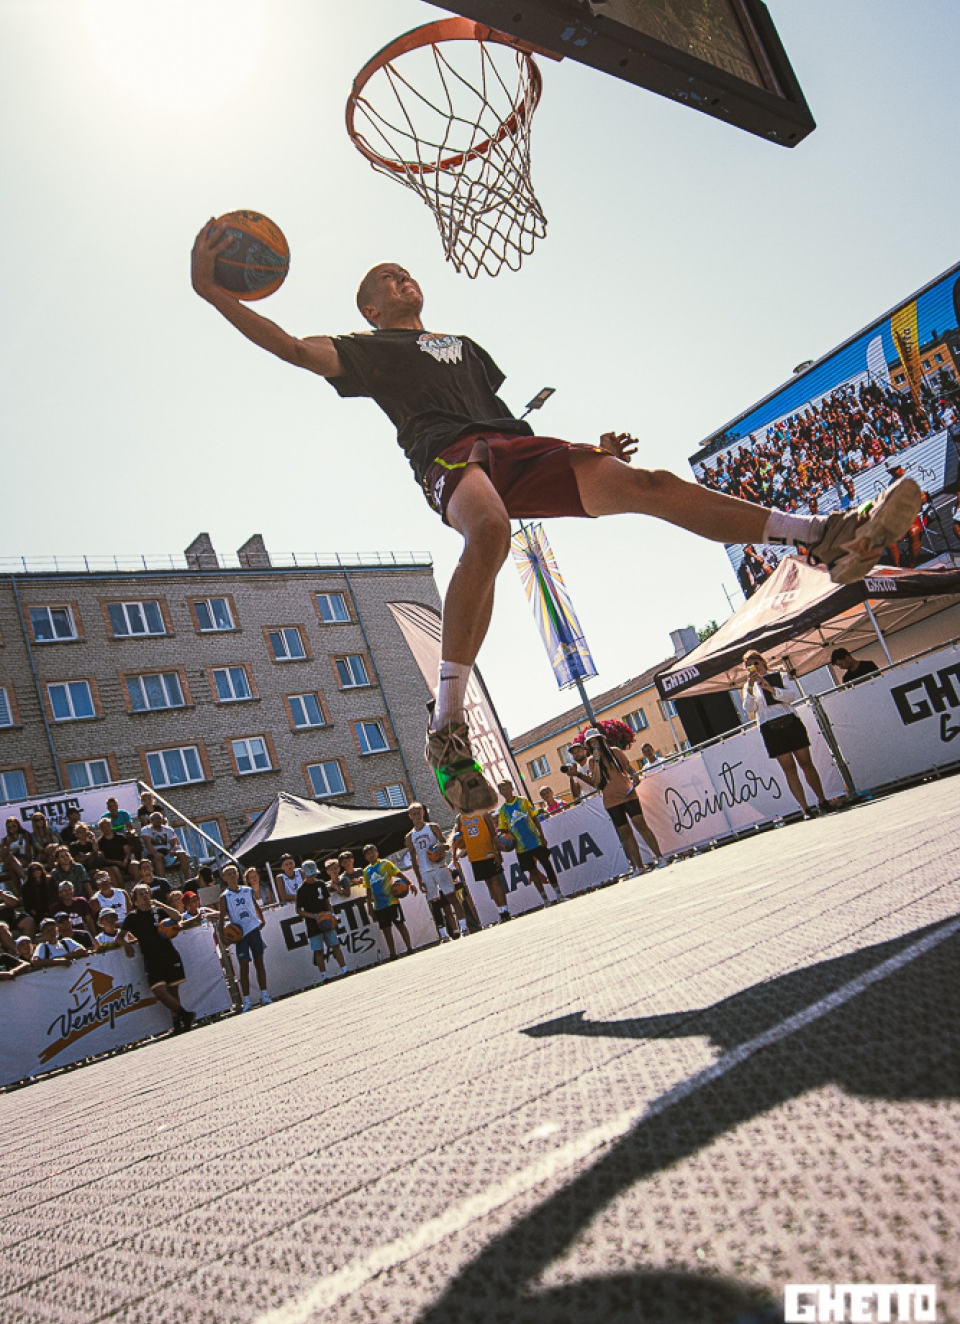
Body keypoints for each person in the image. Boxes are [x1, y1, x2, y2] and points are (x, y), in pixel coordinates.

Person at [191, 236, 922, 814]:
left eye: (405, 271)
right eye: (386, 277)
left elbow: (501, 418)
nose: (401, 278)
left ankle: (823, 536)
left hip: (514, 444)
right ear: (370, 307)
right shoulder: (367, 348)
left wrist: (587, 453)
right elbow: (293, 349)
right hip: (448, 454)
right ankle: (448, 723)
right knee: (490, 532)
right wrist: (215, 292)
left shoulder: (466, 346)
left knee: (648, 484)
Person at [741, 650, 829, 817]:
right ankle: (805, 808)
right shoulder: (748, 687)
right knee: (789, 768)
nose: (754, 668)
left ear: (763, 662)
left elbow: (791, 696)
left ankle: (823, 800)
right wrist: (752, 687)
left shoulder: (779, 676)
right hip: (769, 725)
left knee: (806, 763)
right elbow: (749, 708)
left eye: (756, 664)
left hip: (789, 720)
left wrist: (770, 688)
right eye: (749, 667)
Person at [566, 730, 663, 875]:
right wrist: (594, 763)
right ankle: (639, 866)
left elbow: (628, 767)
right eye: (591, 742)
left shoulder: (615, 751)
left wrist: (634, 774)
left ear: (601, 740)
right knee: (626, 834)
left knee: (641, 825)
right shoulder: (592, 761)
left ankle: (660, 857)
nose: (594, 744)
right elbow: (596, 782)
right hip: (611, 800)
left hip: (627, 794)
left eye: (595, 740)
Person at [121, 884, 195, 1032]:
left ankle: (178, 1023)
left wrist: (161, 904)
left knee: (173, 990)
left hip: (168, 953)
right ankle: (185, 1014)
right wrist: (126, 945)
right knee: (160, 992)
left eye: (147, 893)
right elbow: (119, 937)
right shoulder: (132, 917)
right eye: (141, 894)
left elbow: (178, 917)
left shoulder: (158, 911)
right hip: (151, 958)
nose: (145, 896)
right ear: (135, 901)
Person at [405, 804, 469, 942]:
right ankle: (443, 934)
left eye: (418, 813)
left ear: (423, 813)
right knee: (434, 902)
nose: (417, 816)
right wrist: (419, 879)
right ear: (410, 817)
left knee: (451, 896)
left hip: (440, 867)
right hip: (425, 871)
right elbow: (414, 859)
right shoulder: (410, 836)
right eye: (414, 814)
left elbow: (447, 844)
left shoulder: (432, 827)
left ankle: (464, 927)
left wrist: (442, 847)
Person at [496, 781, 562, 905]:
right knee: (533, 872)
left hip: (535, 840)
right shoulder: (503, 810)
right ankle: (545, 900)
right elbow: (503, 830)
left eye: (506, 787)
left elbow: (534, 817)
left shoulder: (523, 801)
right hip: (521, 847)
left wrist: (541, 836)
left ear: (512, 788)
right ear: (500, 793)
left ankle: (559, 894)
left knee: (547, 865)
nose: (505, 790)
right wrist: (507, 841)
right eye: (502, 789)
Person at [218, 864, 272, 1012]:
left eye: (233, 873)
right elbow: (221, 917)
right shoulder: (225, 896)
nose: (232, 876)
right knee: (243, 966)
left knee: (259, 962)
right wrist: (223, 936)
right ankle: (247, 1000)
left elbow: (254, 905)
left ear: (238, 875)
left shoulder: (248, 890)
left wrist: (261, 919)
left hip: (253, 929)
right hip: (240, 934)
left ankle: (264, 994)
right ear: (224, 878)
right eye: (228, 874)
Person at [452, 812, 511, 923]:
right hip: (475, 855)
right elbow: (456, 838)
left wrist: (497, 852)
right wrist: (454, 856)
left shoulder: (483, 812)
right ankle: (500, 911)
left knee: (496, 881)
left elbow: (493, 834)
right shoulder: (460, 817)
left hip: (489, 851)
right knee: (489, 883)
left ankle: (505, 911)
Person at [296, 859, 348, 982]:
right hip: (312, 923)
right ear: (304, 874)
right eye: (310, 875)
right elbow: (298, 910)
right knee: (318, 950)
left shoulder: (320, 884)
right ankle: (324, 976)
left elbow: (327, 901)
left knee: (335, 945)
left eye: (313, 874)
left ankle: (345, 969)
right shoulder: (301, 890)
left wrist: (331, 914)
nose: (312, 877)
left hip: (327, 919)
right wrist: (314, 916)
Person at [361, 843, 414, 960]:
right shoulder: (366, 871)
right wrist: (369, 906)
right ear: (365, 857)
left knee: (400, 924)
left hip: (391, 901)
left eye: (372, 852)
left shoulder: (385, 863)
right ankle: (392, 953)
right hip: (379, 905)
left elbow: (398, 873)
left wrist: (410, 883)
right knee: (386, 930)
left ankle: (409, 947)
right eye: (368, 854)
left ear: (377, 853)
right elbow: (368, 889)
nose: (371, 855)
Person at [141, 812, 190, 883]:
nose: (157, 820)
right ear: (150, 821)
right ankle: (164, 883)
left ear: (162, 819)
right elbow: (147, 844)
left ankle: (188, 880)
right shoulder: (146, 830)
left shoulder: (168, 829)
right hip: (151, 855)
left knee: (182, 853)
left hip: (166, 853)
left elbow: (174, 844)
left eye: (159, 818)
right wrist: (156, 853)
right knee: (158, 857)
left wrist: (172, 850)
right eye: (154, 819)